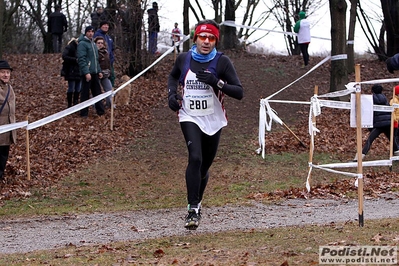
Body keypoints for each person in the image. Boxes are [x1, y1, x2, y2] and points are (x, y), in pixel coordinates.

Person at [167, 19, 244, 230]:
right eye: (203, 37)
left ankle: (197, 202)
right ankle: (192, 209)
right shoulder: (184, 59)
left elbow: (239, 92)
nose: (206, 41)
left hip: (213, 119)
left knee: (205, 166)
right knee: (195, 157)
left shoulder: (222, 62)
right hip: (189, 115)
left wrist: (216, 82)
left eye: (211, 38)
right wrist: (171, 95)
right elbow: (173, 77)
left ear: (215, 41)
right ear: (195, 38)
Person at [353, 84, 399, 161]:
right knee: (392, 140)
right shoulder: (385, 98)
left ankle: (359, 157)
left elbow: (369, 112)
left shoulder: (371, 99)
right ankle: (397, 154)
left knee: (370, 140)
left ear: (373, 91)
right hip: (388, 123)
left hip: (379, 124)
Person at [77, 26, 105, 118]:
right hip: (87, 73)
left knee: (97, 93)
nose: (90, 33)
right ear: (85, 33)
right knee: (85, 94)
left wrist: (99, 71)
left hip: (95, 72)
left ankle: (100, 111)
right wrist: (86, 72)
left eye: (92, 32)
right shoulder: (82, 44)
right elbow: (81, 59)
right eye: (89, 31)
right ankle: (84, 113)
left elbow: (96, 59)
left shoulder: (93, 44)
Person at [0, 60, 16, 182]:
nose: (6, 75)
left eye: (7, 72)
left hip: (8, 129)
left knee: (3, 156)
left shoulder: (10, 88)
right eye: (2, 72)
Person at [93, 21, 115, 86]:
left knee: (112, 77)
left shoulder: (109, 37)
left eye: (107, 25)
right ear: (101, 26)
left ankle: (111, 93)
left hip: (109, 61)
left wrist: (112, 58)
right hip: (100, 62)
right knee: (98, 79)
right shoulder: (97, 35)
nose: (106, 27)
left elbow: (112, 49)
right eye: (104, 25)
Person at [62, 38, 81, 108]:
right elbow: (64, 56)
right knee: (71, 88)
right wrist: (75, 60)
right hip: (71, 70)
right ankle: (69, 104)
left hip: (79, 70)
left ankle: (75, 103)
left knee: (78, 88)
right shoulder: (70, 47)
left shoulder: (82, 48)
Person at [94, 36, 113, 109]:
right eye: (98, 43)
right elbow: (95, 63)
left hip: (105, 74)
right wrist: (99, 72)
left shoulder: (106, 52)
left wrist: (110, 72)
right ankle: (96, 106)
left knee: (109, 89)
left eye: (101, 43)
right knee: (96, 91)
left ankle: (110, 105)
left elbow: (109, 63)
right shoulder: (94, 52)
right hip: (97, 74)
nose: (100, 44)